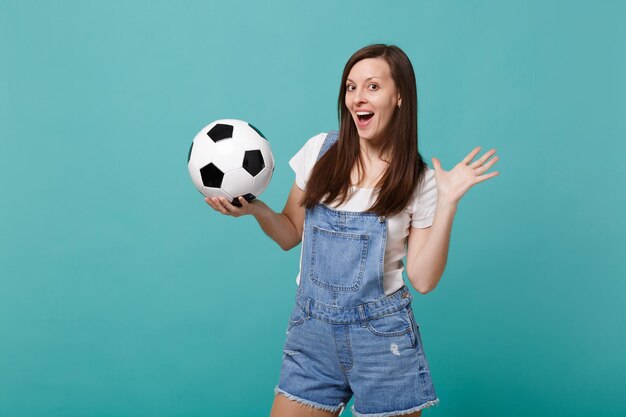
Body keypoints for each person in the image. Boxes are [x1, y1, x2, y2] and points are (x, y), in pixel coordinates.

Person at [205, 44, 499, 417]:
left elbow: (423, 280)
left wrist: (449, 202)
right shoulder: (319, 151)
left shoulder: (419, 180)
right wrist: (257, 211)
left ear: (400, 97)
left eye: (373, 86)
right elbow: (289, 234)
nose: (358, 97)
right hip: (311, 334)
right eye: (350, 87)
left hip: (382, 341)